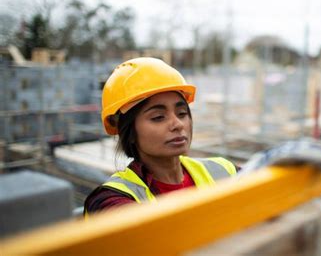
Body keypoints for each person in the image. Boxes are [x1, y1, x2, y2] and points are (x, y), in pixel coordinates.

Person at [84, 57, 238, 215]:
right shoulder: (109, 200)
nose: (177, 124)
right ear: (128, 132)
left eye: (182, 113)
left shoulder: (223, 169)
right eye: (158, 117)